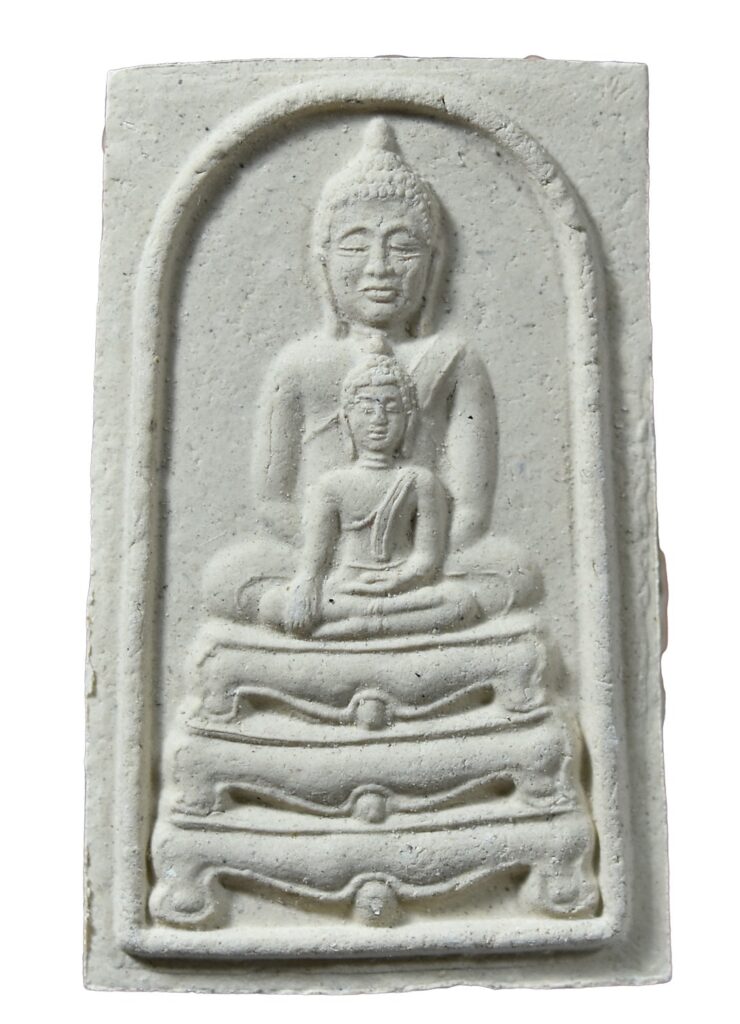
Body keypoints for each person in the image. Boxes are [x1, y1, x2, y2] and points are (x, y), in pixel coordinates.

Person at [203, 118, 539, 622]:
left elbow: (469, 508)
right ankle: (400, 625)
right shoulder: (300, 364)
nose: (379, 266)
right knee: (227, 579)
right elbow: (273, 501)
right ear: (322, 261)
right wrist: (330, 557)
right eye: (356, 246)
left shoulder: (453, 359)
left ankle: (337, 626)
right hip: (324, 562)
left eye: (403, 247)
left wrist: (413, 563)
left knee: (514, 573)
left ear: (433, 262)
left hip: (423, 565)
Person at [259, 356, 480, 639]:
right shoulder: (331, 485)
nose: (379, 419)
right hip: (345, 587)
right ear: (346, 420)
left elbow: (426, 559)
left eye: (392, 409)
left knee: (459, 602)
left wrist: (396, 581)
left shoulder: (421, 481)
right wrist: (306, 590)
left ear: (409, 420)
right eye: (366, 409)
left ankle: (360, 627)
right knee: (272, 604)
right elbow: (313, 564)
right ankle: (373, 623)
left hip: (403, 589)